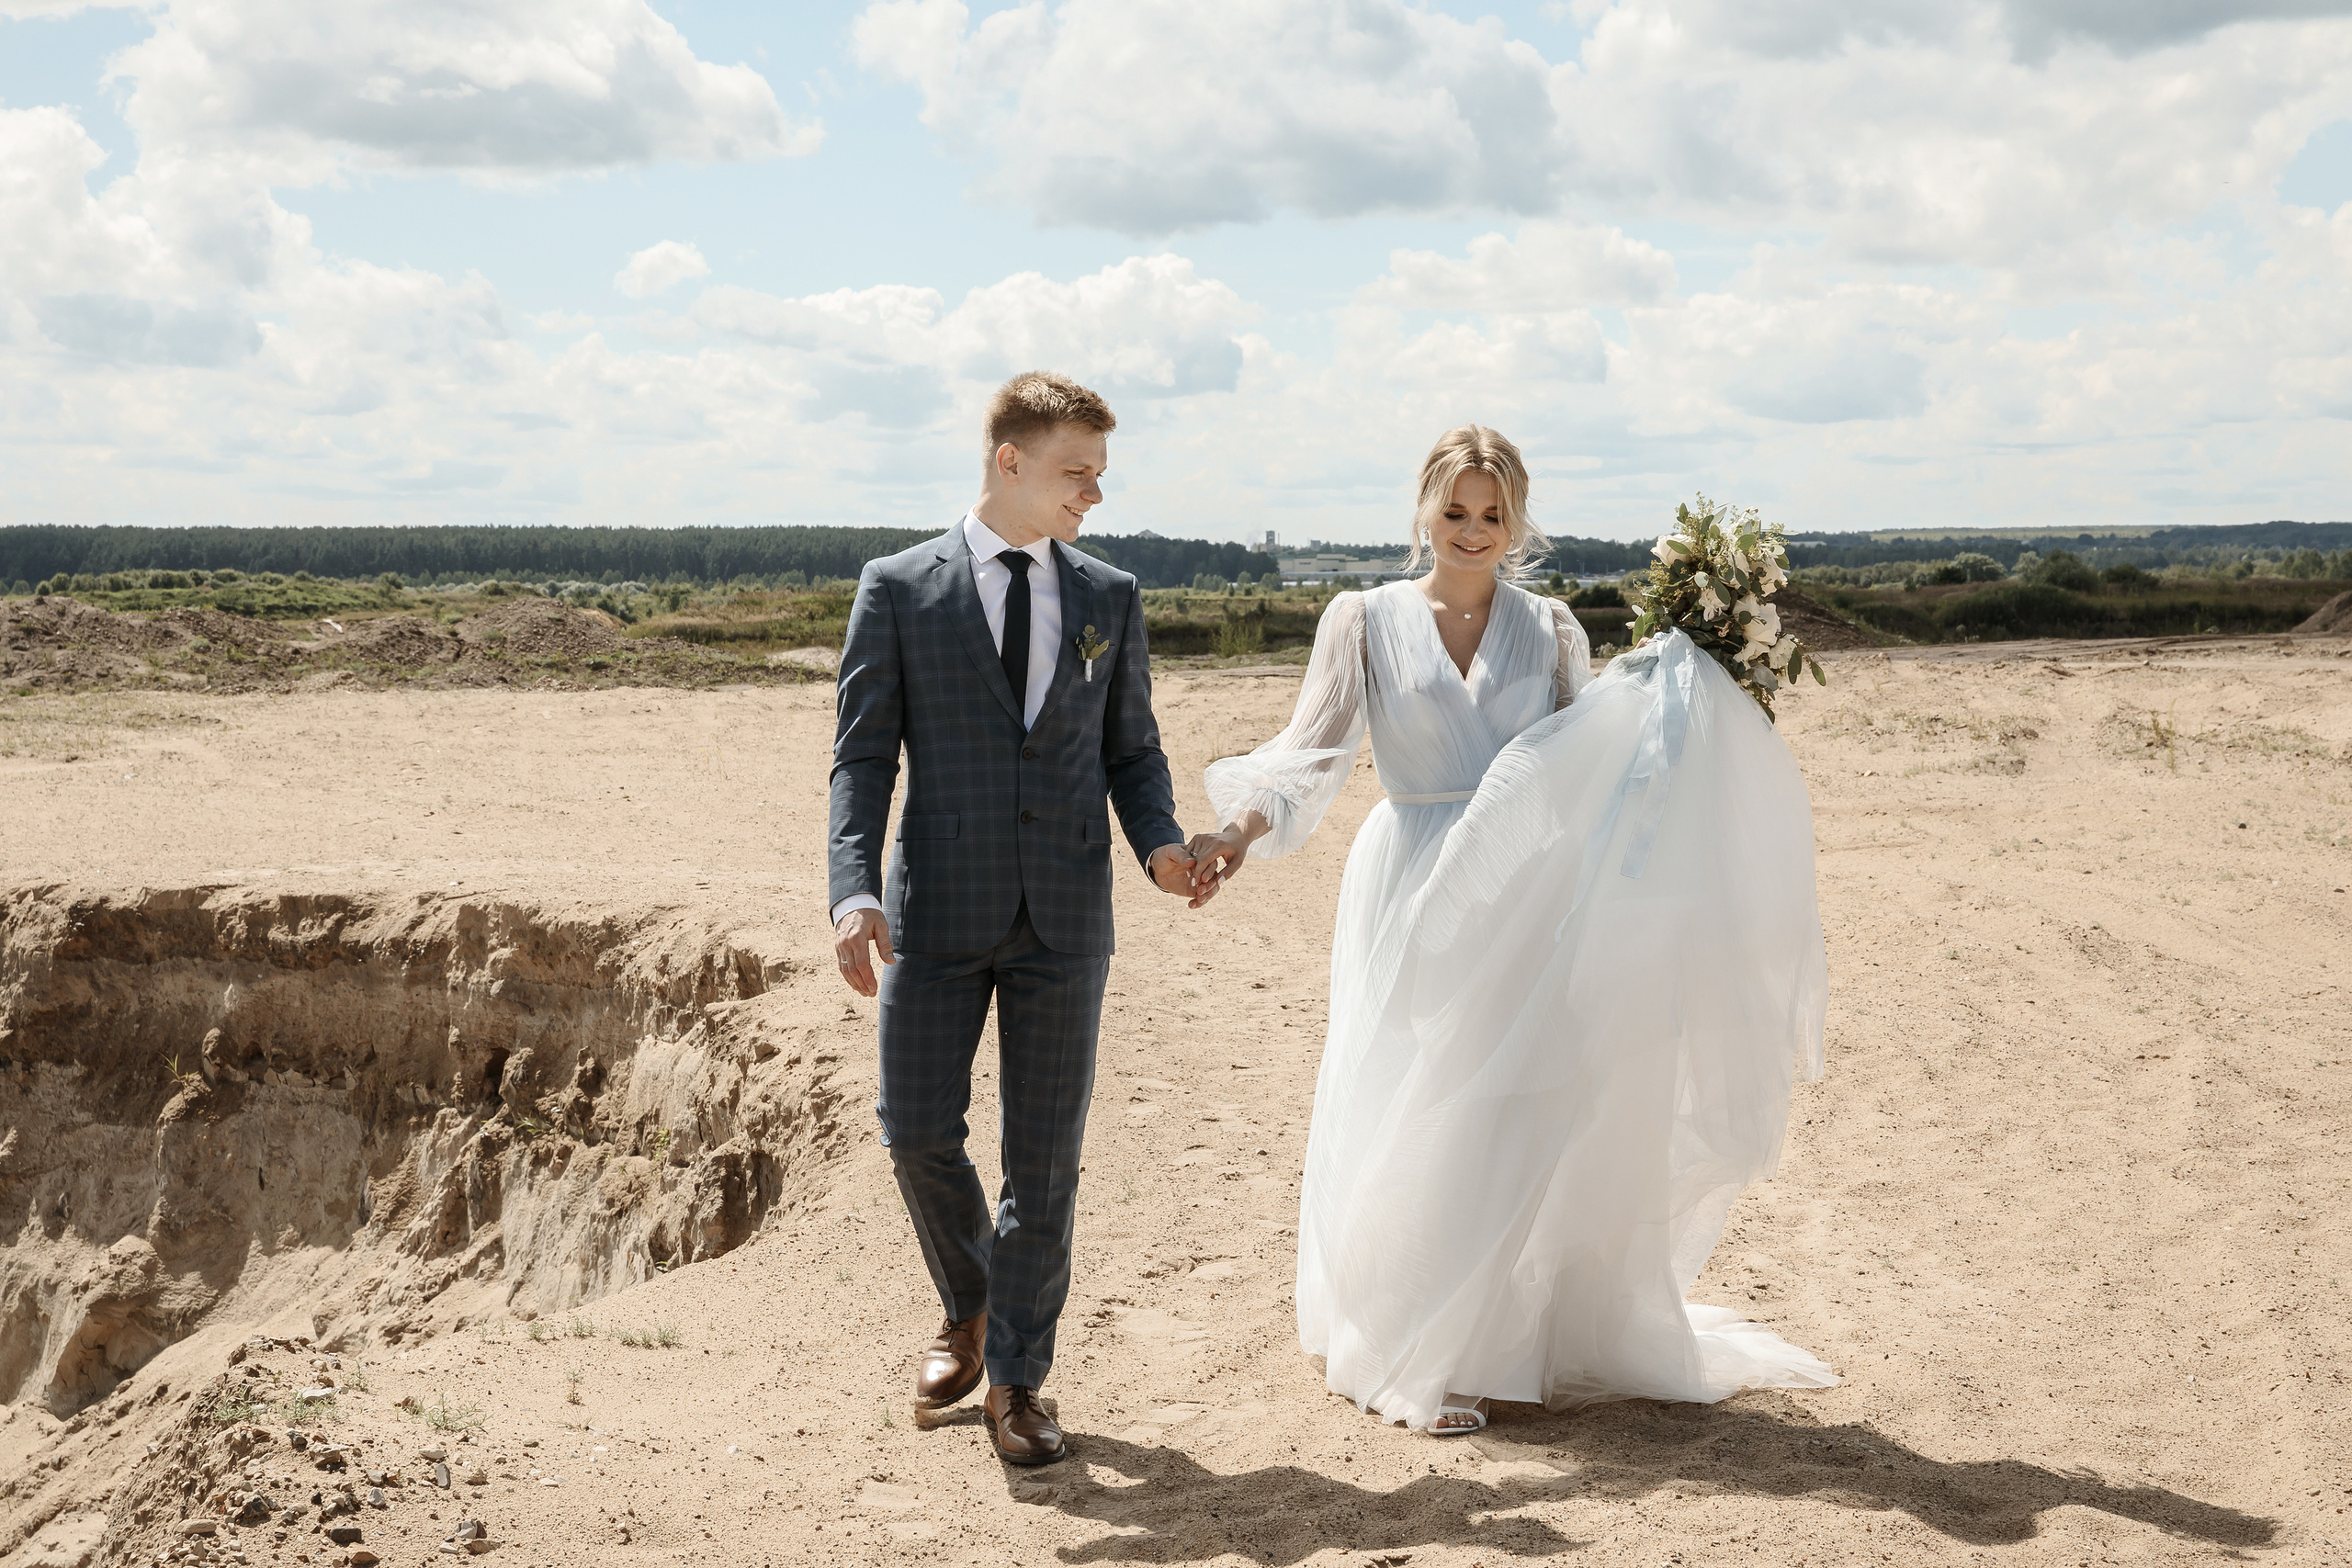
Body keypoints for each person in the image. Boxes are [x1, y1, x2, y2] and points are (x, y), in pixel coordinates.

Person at [1186, 426, 1835, 1433]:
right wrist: (1234, 833)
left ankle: (1488, 1347)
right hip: (1411, 878)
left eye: (1493, 514)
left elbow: (1600, 760)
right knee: (1412, 1096)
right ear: (1423, 511)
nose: (1473, 530)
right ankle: (1412, 1341)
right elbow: (1308, 754)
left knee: (1506, 1109)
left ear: (1518, 521)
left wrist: (1689, 701)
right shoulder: (1362, 620)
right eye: (1455, 511)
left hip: (1528, 889)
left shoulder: (1553, 629)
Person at [828, 370, 1230, 1466]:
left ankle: (1015, 1380)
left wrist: (1161, 849)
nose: (1093, 494)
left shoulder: (1110, 595)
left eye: (1099, 474)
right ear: (1009, 462)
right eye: (1075, 472)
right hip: (934, 911)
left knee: (1043, 1164)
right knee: (914, 1130)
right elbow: (862, 760)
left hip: (1066, 913)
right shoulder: (896, 590)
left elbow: (1131, 750)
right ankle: (969, 1303)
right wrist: (854, 890)